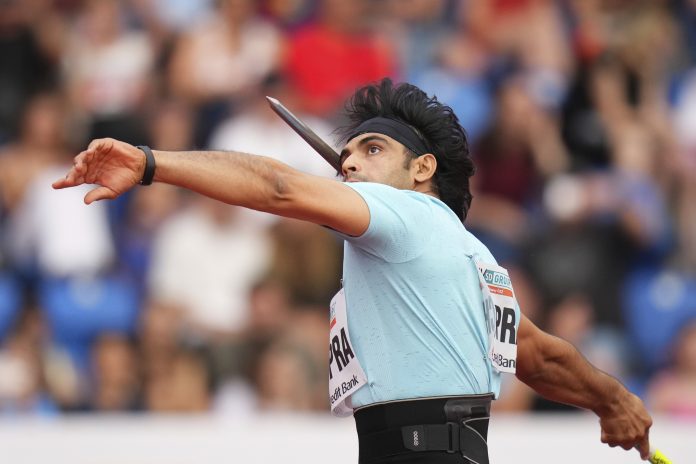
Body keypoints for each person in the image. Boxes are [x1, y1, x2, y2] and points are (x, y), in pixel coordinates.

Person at [53, 78, 652, 463]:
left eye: (372, 150)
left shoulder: (406, 214)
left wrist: (150, 162)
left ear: (422, 169)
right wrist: (613, 399)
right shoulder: (470, 255)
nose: (350, 166)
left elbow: (279, 186)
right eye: (346, 157)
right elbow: (538, 355)